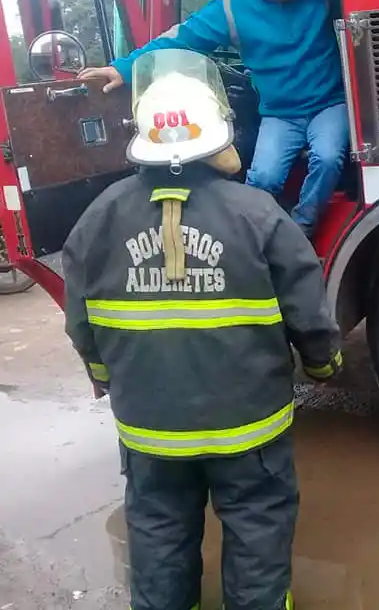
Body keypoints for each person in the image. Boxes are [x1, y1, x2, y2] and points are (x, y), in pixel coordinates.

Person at [63, 47, 343, 610]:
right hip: (249, 428)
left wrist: (101, 373)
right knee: (257, 530)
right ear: (218, 134)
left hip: (150, 428)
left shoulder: (99, 217)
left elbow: (81, 318)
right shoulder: (260, 213)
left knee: (159, 529)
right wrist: (323, 363)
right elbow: (307, 308)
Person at [79, 0, 348, 238]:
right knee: (263, 178)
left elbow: (364, 16)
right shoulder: (234, 6)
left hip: (330, 103)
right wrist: (123, 69)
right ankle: (250, 239)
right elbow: (181, 39)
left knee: (328, 158)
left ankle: (302, 229)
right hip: (280, 113)